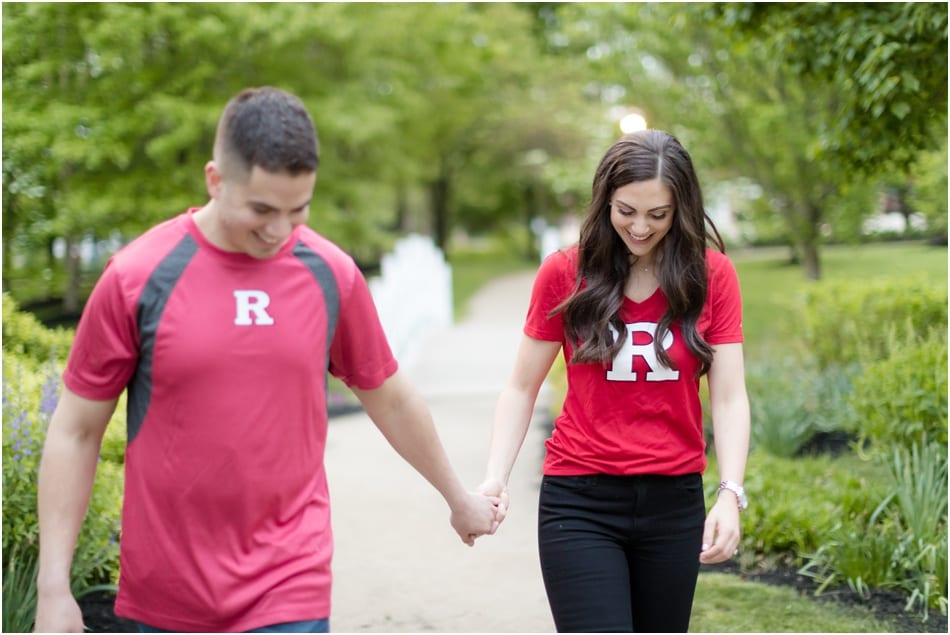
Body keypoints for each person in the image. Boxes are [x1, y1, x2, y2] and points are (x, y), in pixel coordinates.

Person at [34, 86, 499, 633]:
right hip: (167, 593)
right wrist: (52, 588)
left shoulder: (331, 274)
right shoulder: (138, 276)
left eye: (297, 210)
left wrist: (457, 497)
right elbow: (76, 431)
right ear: (215, 179)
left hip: (289, 583)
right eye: (260, 209)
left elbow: (390, 398)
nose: (278, 230)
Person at [479, 129, 750, 633]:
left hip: (674, 503)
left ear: (681, 209)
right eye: (626, 211)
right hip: (580, 501)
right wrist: (495, 475)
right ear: (605, 200)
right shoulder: (565, 273)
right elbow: (520, 387)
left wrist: (730, 494)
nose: (641, 227)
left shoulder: (712, 276)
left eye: (658, 214)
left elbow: (730, 398)